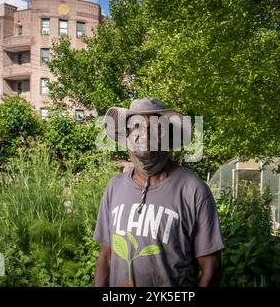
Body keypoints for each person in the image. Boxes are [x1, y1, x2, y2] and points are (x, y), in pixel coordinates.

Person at [94, 97, 224, 287]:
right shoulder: (115, 187)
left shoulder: (193, 190)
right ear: (127, 135)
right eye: (135, 126)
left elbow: (211, 269)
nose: (144, 134)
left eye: (155, 128)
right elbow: (106, 257)